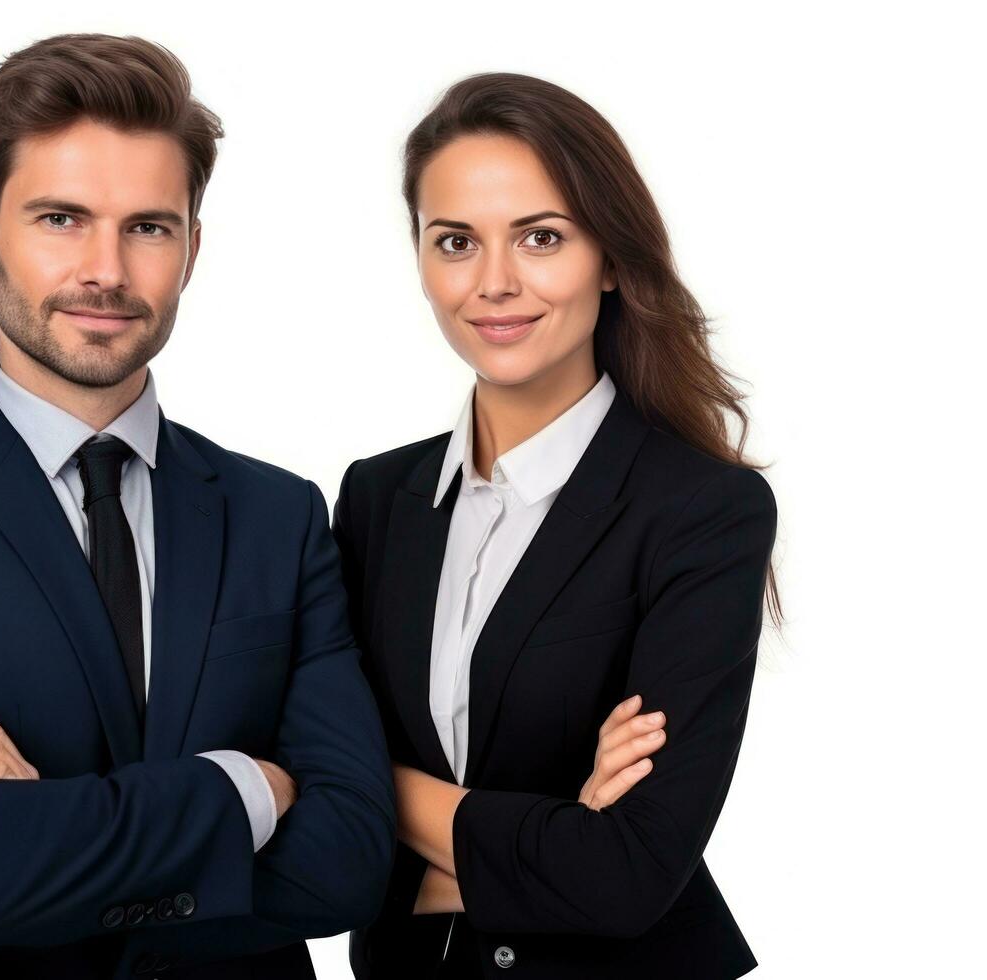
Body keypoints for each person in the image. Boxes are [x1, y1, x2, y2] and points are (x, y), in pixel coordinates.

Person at [0, 33, 401, 979]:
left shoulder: (281, 516)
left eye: (148, 226)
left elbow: (352, 861)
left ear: (192, 247)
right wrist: (242, 794)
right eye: (62, 219)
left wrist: (42, 834)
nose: (106, 270)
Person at [337, 73, 782, 978]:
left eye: (542, 238)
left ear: (610, 259)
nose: (494, 283)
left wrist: (374, 795)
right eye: (455, 241)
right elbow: (309, 798)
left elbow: (625, 874)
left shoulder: (701, 512)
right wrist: (553, 834)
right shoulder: (377, 499)